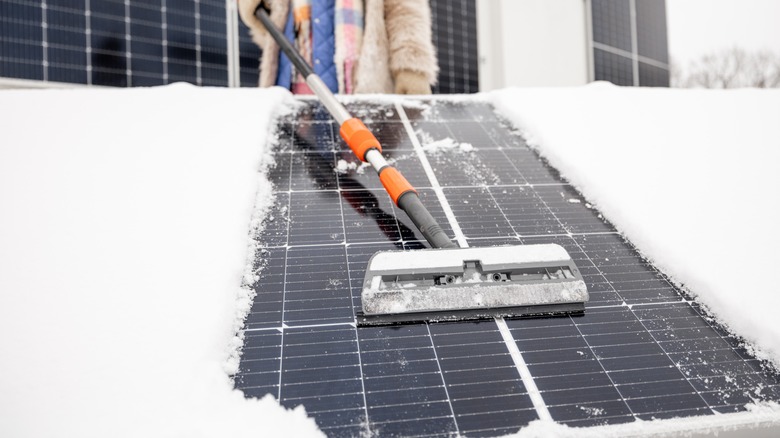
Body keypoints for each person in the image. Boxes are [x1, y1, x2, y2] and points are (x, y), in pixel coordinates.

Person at [238, 0, 438, 94]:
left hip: (358, 87)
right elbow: (270, 34)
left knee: (356, 164)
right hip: (290, 85)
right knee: (294, 169)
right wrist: (258, 15)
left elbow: (404, 9)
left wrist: (411, 69)